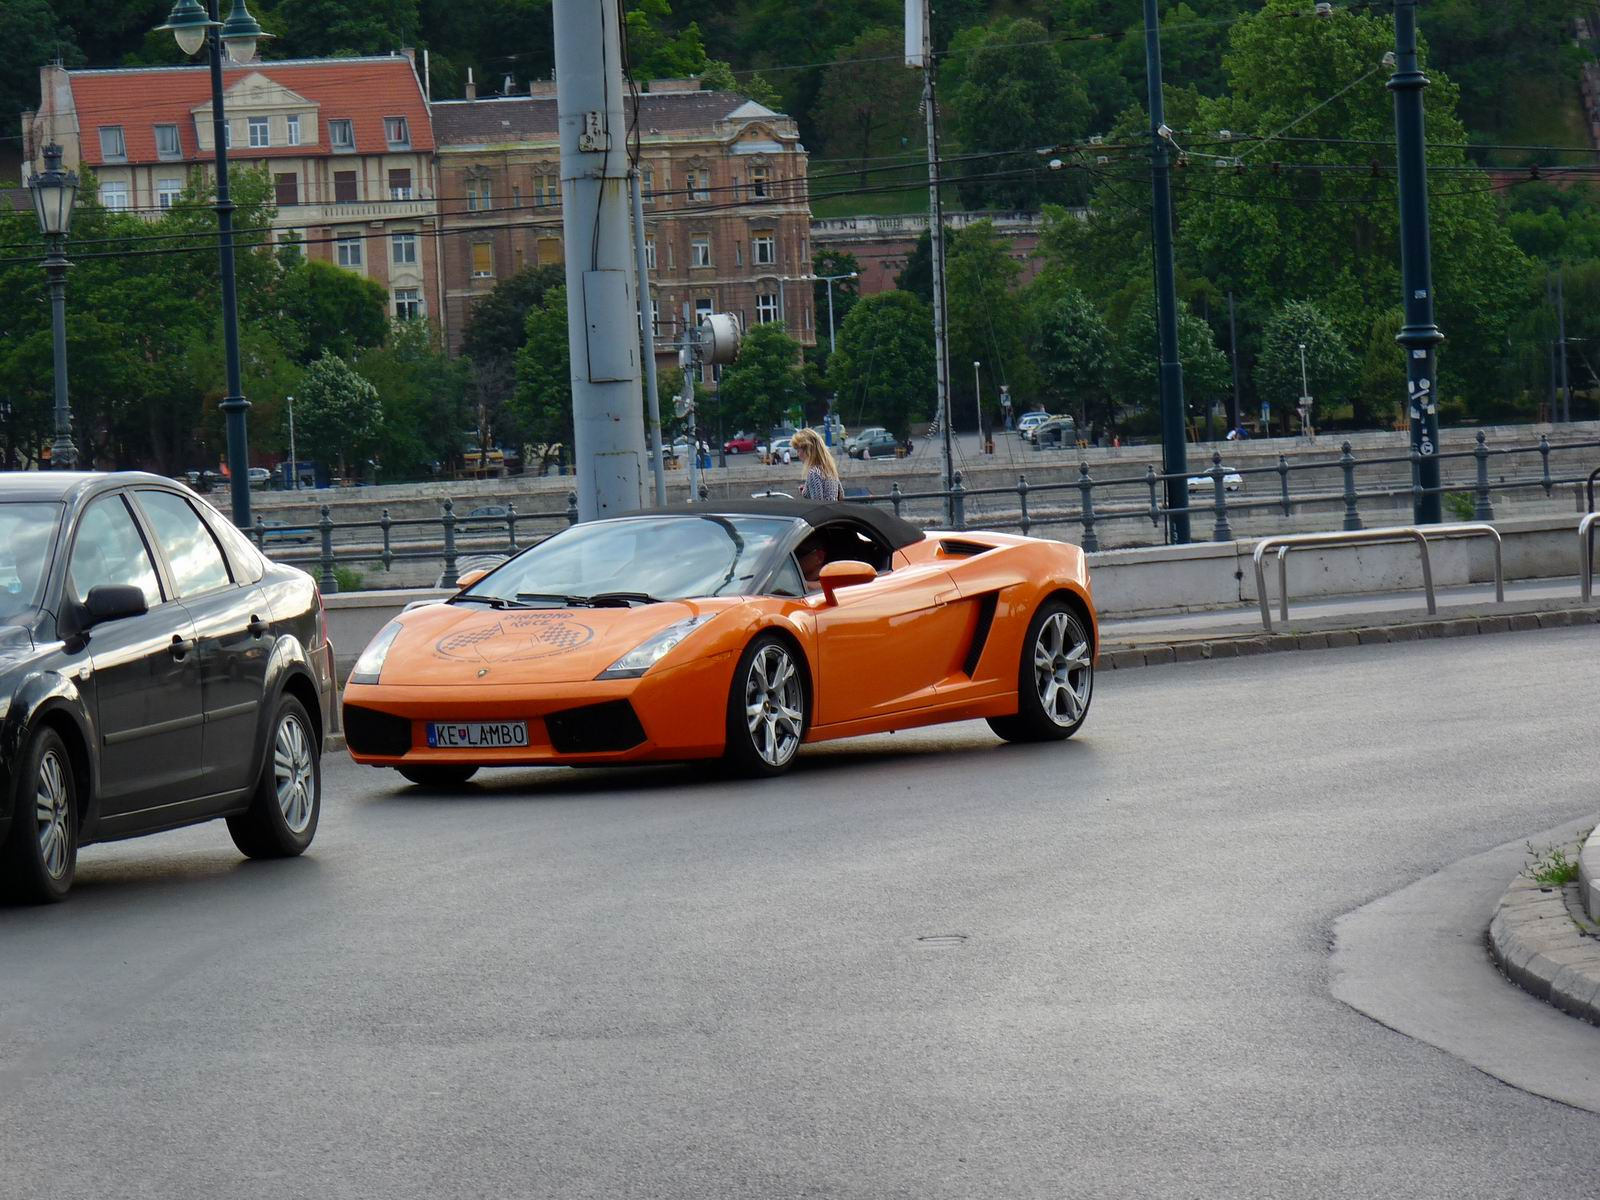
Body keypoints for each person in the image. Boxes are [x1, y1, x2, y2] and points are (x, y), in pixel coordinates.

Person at [792, 428, 843, 501]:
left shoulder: (814, 473)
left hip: (824, 512)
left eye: (798, 450)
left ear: (808, 450)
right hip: (833, 511)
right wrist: (807, 489)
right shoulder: (830, 469)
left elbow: (817, 504)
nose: (798, 454)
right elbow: (840, 495)